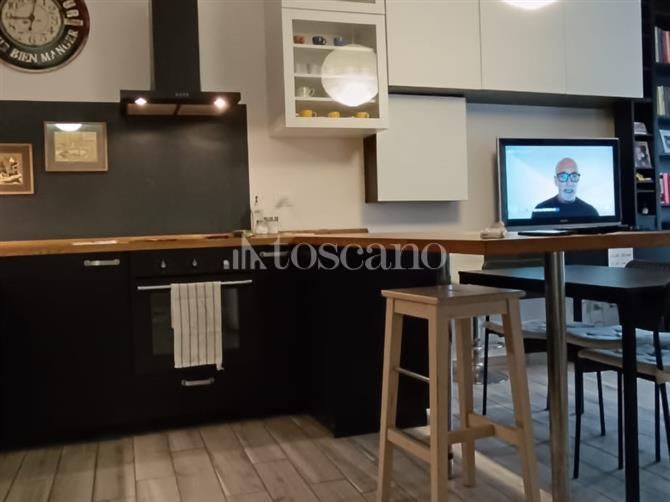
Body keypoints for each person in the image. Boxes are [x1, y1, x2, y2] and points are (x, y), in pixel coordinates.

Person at [531, 158, 599, 220]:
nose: (569, 183)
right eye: (563, 176)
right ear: (556, 181)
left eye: (574, 176)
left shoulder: (591, 213)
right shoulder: (540, 211)